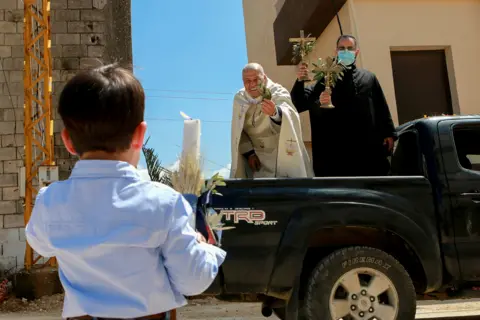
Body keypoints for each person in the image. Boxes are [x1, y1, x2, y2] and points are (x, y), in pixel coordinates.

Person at [25, 64, 226, 320]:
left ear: (68, 140)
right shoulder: (164, 203)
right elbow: (192, 280)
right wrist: (206, 247)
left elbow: (39, 243)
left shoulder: (50, 201)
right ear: (140, 135)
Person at [291, 35, 397, 177]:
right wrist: (300, 82)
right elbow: (299, 103)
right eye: (342, 48)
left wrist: (389, 133)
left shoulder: (368, 78)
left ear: (356, 52)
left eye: (349, 48)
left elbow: (380, 107)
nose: (345, 51)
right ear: (336, 51)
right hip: (335, 153)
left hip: (366, 150)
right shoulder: (325, 79)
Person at [230, 62, 312, 178]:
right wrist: (249, 153)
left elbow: (290, 114)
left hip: (280, 154)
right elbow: (238, 129)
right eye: (247, 81)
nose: (252, 84)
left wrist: (275, 113)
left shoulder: (277, 91)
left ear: (264, 77)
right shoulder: (239, 98)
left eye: (256, 79)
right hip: (257, 158)